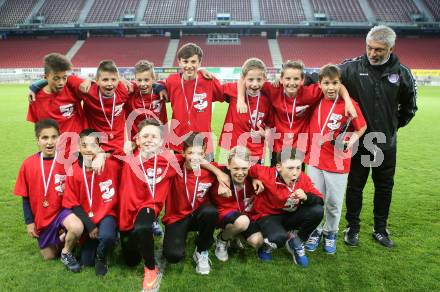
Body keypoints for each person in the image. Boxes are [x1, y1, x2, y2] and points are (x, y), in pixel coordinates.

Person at [339, 25, 418, 248]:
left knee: (384, 187)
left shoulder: (403, 73)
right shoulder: (351, 68)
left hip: (384, 144)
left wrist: (391, 128)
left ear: (391, 49)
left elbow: (410, 108)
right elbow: (324, 77)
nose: (372, 53)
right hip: (359, 143)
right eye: (369, 48)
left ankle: (380, 229)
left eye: (379, 50)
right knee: (355, 186)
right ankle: (352, 228)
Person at [236, 60, 357, 166]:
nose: (292, 83)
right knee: (275, 184)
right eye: (288, 78)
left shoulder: (310, 93)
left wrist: (348, 101)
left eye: (296, 79)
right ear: (281, 79)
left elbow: (336, 84)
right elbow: (243, 79)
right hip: (277, 145)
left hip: (299, 147)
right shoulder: (273, 89)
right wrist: (240, 100)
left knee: (296, 186)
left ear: (302, 80)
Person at [304, 64, 367, 254]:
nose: (330, 87)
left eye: (335, 83)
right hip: (314, 159)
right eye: (326, 83)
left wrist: (352, 140)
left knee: (333, 202)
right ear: (319, 84)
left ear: (341, 84)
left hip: (338, 162)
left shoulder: (349, 105)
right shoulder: (316, 99)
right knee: (314, 200)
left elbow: (361, 127)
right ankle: (315, 231)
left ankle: (330, 232)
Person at [13, 119, 83, 272]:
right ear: (38, 140)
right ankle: (64, 237)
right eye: (45, 138)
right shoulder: (28, 164)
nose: (50, 142)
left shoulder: (67, 162)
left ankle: (67, 252)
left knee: (77, 227)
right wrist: (29, 222)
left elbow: (87, 161)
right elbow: (25, 197)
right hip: (42, 217)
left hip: (62, 212)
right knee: (49, 256)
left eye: (54, 137)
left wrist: (101, 156)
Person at [118, 118, 179, 291]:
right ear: (136, 140)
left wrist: (219, 174)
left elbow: (194, 159)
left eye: (154, 136)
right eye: (145, 136)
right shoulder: (127, 155)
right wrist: (100, 155)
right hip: (126, 211)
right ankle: (146, 235)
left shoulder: (168, 159)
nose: (149, 140)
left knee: (142, 227)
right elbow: (99, 152)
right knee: (131, 261)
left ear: (161, 141)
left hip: (149, 205)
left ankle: (150, 269)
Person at [162, 133, 227, 275]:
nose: (195, 157)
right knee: (173, 256)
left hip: (199, 215)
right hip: (177, 217)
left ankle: (201, 250)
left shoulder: (210, 170)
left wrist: (220, 177)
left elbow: (230, 175)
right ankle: (179, 236)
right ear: (183, 153)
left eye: (199, 153)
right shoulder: (174, 166)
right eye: (191, 152)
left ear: (204, 153)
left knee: (211, 212)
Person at [248, 149, 324, 267]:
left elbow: (320, 199)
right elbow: (246, 170)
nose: (295, 173)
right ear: (278, 167)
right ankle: (267, 246)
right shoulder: (265, 173)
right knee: (278, 238)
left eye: (298, 168)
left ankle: (297, 242)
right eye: (290, 168)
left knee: (317, 211)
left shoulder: (303, 178)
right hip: (268, 216)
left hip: (290, 215)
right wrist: (254, 179)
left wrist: (306, 196)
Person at [63, 128, 120, 276]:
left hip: (107, 214)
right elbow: (73, 203)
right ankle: (97, 243)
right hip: (87, 219)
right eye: (84, 145)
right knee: (87, 261)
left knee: (107, 237)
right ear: (78, 147)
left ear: (100, 147)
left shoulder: (111, 165)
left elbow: (124, 153)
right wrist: (90, 226)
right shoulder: (73, 170)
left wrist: (103, 155)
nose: (88, 149)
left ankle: (101, 257)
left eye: (93, 145)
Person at [164, 43, 224, 158]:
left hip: (204, 143)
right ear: (179, 62)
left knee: (206, 175)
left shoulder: (208, 81)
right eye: (185, 62)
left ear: (200, 63)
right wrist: (159, 87)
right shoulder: (172, 81)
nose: (189, 66)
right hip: (178, 142)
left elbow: (226, 93)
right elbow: (155, 87)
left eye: (193, 62)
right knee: (181, 175)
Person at [210, 146, 268, 262]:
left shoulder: (254, 176)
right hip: (223, 214)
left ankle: (235, 235)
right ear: (228, 165)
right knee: (242, 221)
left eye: (244, 168)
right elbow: (201, 161)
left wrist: (254, 179)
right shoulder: (221, 171)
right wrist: (217, 173)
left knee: (257, 241)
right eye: (236, 168)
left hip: (244, 215)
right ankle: (222, 240)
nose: (240, 173)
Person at [219, 58, 272, 163]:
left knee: (255, 179)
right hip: (232, 148)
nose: (255, 84)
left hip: (256, 151)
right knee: (229, 178)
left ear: (265, 79)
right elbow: (210, 87)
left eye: (259, 79)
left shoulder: (267, 99)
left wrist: (265, 133)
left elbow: (270, 124)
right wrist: (202, 72)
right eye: (251, 79)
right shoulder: (234, 90)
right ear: (243, 79)